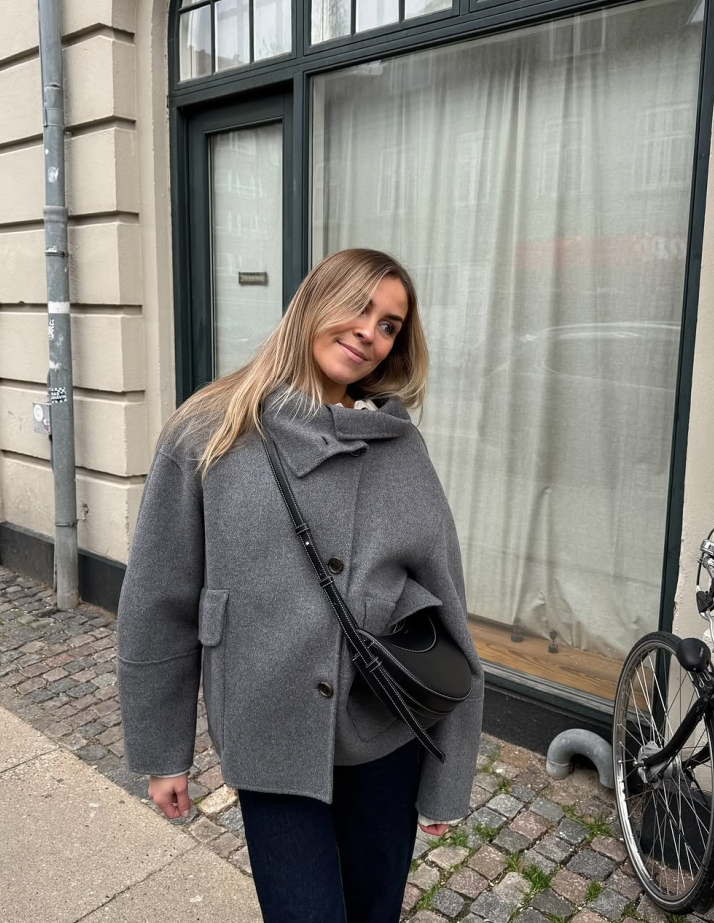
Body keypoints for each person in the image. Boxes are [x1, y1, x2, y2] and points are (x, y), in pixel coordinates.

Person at [116, 247, 484, 922]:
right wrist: (163, 752)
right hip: (269, 735)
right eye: (358, 307)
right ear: (313, 303)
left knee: (374, 912)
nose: (369, 332)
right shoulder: (210, 431)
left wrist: (447, 774)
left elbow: (447, 607)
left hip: (385, 734)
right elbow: (157, 602)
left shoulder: (399, 446)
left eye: (390, 325)